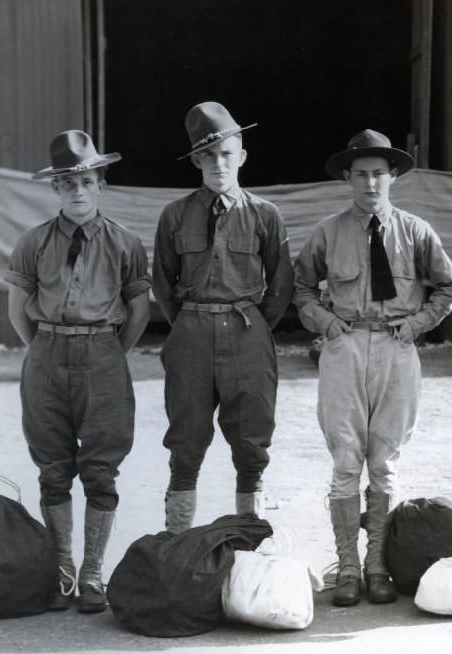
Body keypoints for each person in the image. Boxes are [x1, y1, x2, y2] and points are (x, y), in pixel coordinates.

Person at [294, 129, 452, 606]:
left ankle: (377, 564)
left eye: (379, 174)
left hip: (397, 345)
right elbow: (301, 287)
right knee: (345, 460)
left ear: (394, 178)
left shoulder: (416, 231)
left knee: (385, 462)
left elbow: (450, 286)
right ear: (347, 178)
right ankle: (347, 566)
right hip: (345, 345)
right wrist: (326, 324)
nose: (371, 184)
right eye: (361, 174)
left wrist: (418, 324)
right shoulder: (328, 231)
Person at [6, 130, 150, 613]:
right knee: (52, 467)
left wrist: (107, 351)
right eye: (68, 184)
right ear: (56, 189)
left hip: (104, 357)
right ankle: (63, 571)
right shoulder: (33, 243)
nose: (78, 191)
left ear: (101, 182)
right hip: (46, 354)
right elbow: (16, 308)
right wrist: (45, 348)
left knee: (101, 468)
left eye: (86, 180)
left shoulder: (126, 244)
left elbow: (139, 310)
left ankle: (92, 574)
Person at [152, 101, 293, 532]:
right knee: (186, 438)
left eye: (226, 154)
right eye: (208, 155)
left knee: (251, 438)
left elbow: (281, 282)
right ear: (196, 159)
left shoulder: (264, 215)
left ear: (242, 157)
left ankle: (251, 538)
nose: (218, 164)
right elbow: (162, 281)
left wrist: (251, 323)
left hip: (247, 329)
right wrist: (192, 321)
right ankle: (177, 541)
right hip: (191, 331)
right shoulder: (175, 215)